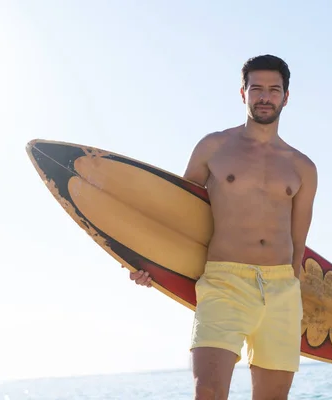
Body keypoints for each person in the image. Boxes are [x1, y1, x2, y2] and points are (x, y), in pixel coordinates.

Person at [128, 54, 318, 400]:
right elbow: (181, 217)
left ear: (286, 97)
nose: (265, 96)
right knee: (210, 392)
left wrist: (293, 290)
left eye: (274, 90)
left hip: (281, 291)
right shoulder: (214, 147)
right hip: (224, 282)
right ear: (242, 93)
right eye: (256, 88)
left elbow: (298, 242)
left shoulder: (303, 167)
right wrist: (152, 264)